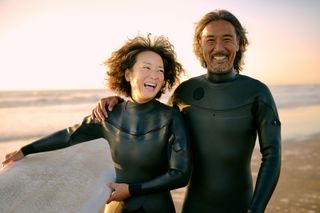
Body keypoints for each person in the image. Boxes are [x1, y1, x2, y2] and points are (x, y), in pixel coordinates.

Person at [90, 10, 281, 213]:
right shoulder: (185, 92)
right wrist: (121, 104)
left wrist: (256, 209)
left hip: (241, 206)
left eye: (227, 39)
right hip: (194, 208)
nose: (219, 47)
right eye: (210, 40)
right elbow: (152, 118)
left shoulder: (257, 93)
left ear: (239, 44)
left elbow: (272, 155)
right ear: (200, 46)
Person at [2, 34, 191, 213]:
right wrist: (25, 150)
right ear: (127, 75)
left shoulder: (172, 118)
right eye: (146, 67)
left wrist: (131, 189)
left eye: (160, 70)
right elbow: (69, 136)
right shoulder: (108, 114)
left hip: (157, 208)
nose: (155, 75)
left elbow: (180, 174)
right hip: (117, 206)